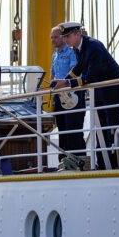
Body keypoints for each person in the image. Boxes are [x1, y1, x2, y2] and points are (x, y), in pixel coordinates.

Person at [52, 22, 119, 169]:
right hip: (98, 88)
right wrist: (63, 80)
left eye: (68, 36)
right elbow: (79, 68)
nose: (65, 40)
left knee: (111, 125)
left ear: (78, 34)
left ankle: (115, 164)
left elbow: (89, 77)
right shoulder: (79, 48)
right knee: (100, 126)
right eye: (64, 37)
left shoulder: (93, 47)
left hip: (111, 88)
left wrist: (66, 83)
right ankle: (103, 164)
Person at [50, 25, 86, 163]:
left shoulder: (72, 53)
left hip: (73, 95)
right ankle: (64, 161)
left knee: (73, 129)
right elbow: (53, 73)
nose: (53, 40)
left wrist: (64, 83)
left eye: (55, 37)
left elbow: (75, 70)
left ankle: (78, 161)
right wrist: (51, 85)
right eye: (51, 38)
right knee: (62, 129)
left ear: (63, 38)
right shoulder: (55, 55)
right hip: (59, 97)